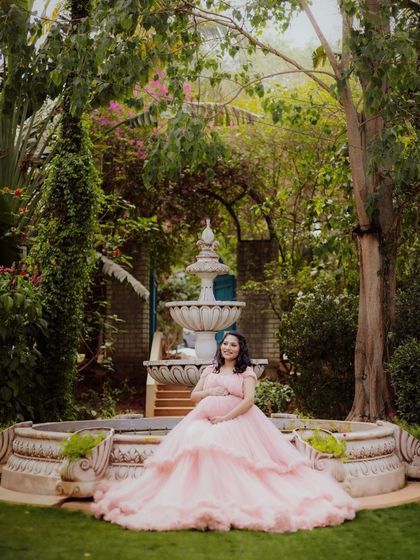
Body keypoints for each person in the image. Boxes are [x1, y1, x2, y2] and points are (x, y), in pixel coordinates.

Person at [92, 332, 357, 532]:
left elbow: (249, 401)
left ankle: (228, 500)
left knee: (217, 445)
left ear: (240, 349)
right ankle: (193, 499)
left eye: (233, 344)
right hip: (203, 418)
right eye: (225, 343)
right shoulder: (211, 369)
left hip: (238, 420)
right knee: (193, 444)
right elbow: (195, 397)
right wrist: (211, 392)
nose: (227, 347)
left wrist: (225, 418)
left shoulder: (247, 372)